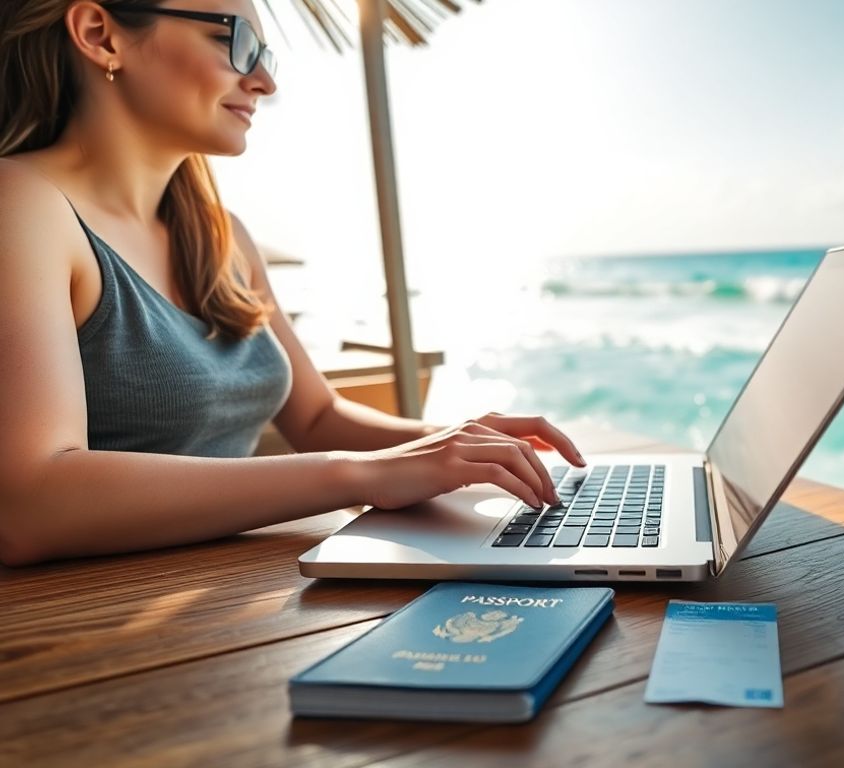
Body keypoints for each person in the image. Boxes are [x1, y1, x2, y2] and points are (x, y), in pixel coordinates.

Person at [0, 0, 585, 567]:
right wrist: (360, 473)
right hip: (96, 616)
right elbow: (28, 506)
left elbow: (318, 419)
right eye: (236, 41)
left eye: (266, 56)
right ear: (100, 34)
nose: (264, 82)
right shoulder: (20, 203)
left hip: (237, 594)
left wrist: (458, 445)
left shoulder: (222, 237)